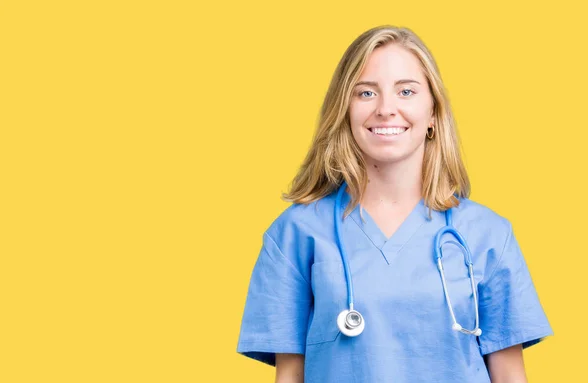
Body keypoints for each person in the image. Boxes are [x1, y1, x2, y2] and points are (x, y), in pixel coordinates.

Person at [236, 25, 553, 383]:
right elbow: (290, 375)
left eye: (406, 91)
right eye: (366, 92)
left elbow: (510, 376)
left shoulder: (488, 235)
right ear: (344, 110)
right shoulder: (296, 233)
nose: (386, 109)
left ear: (433, 112)